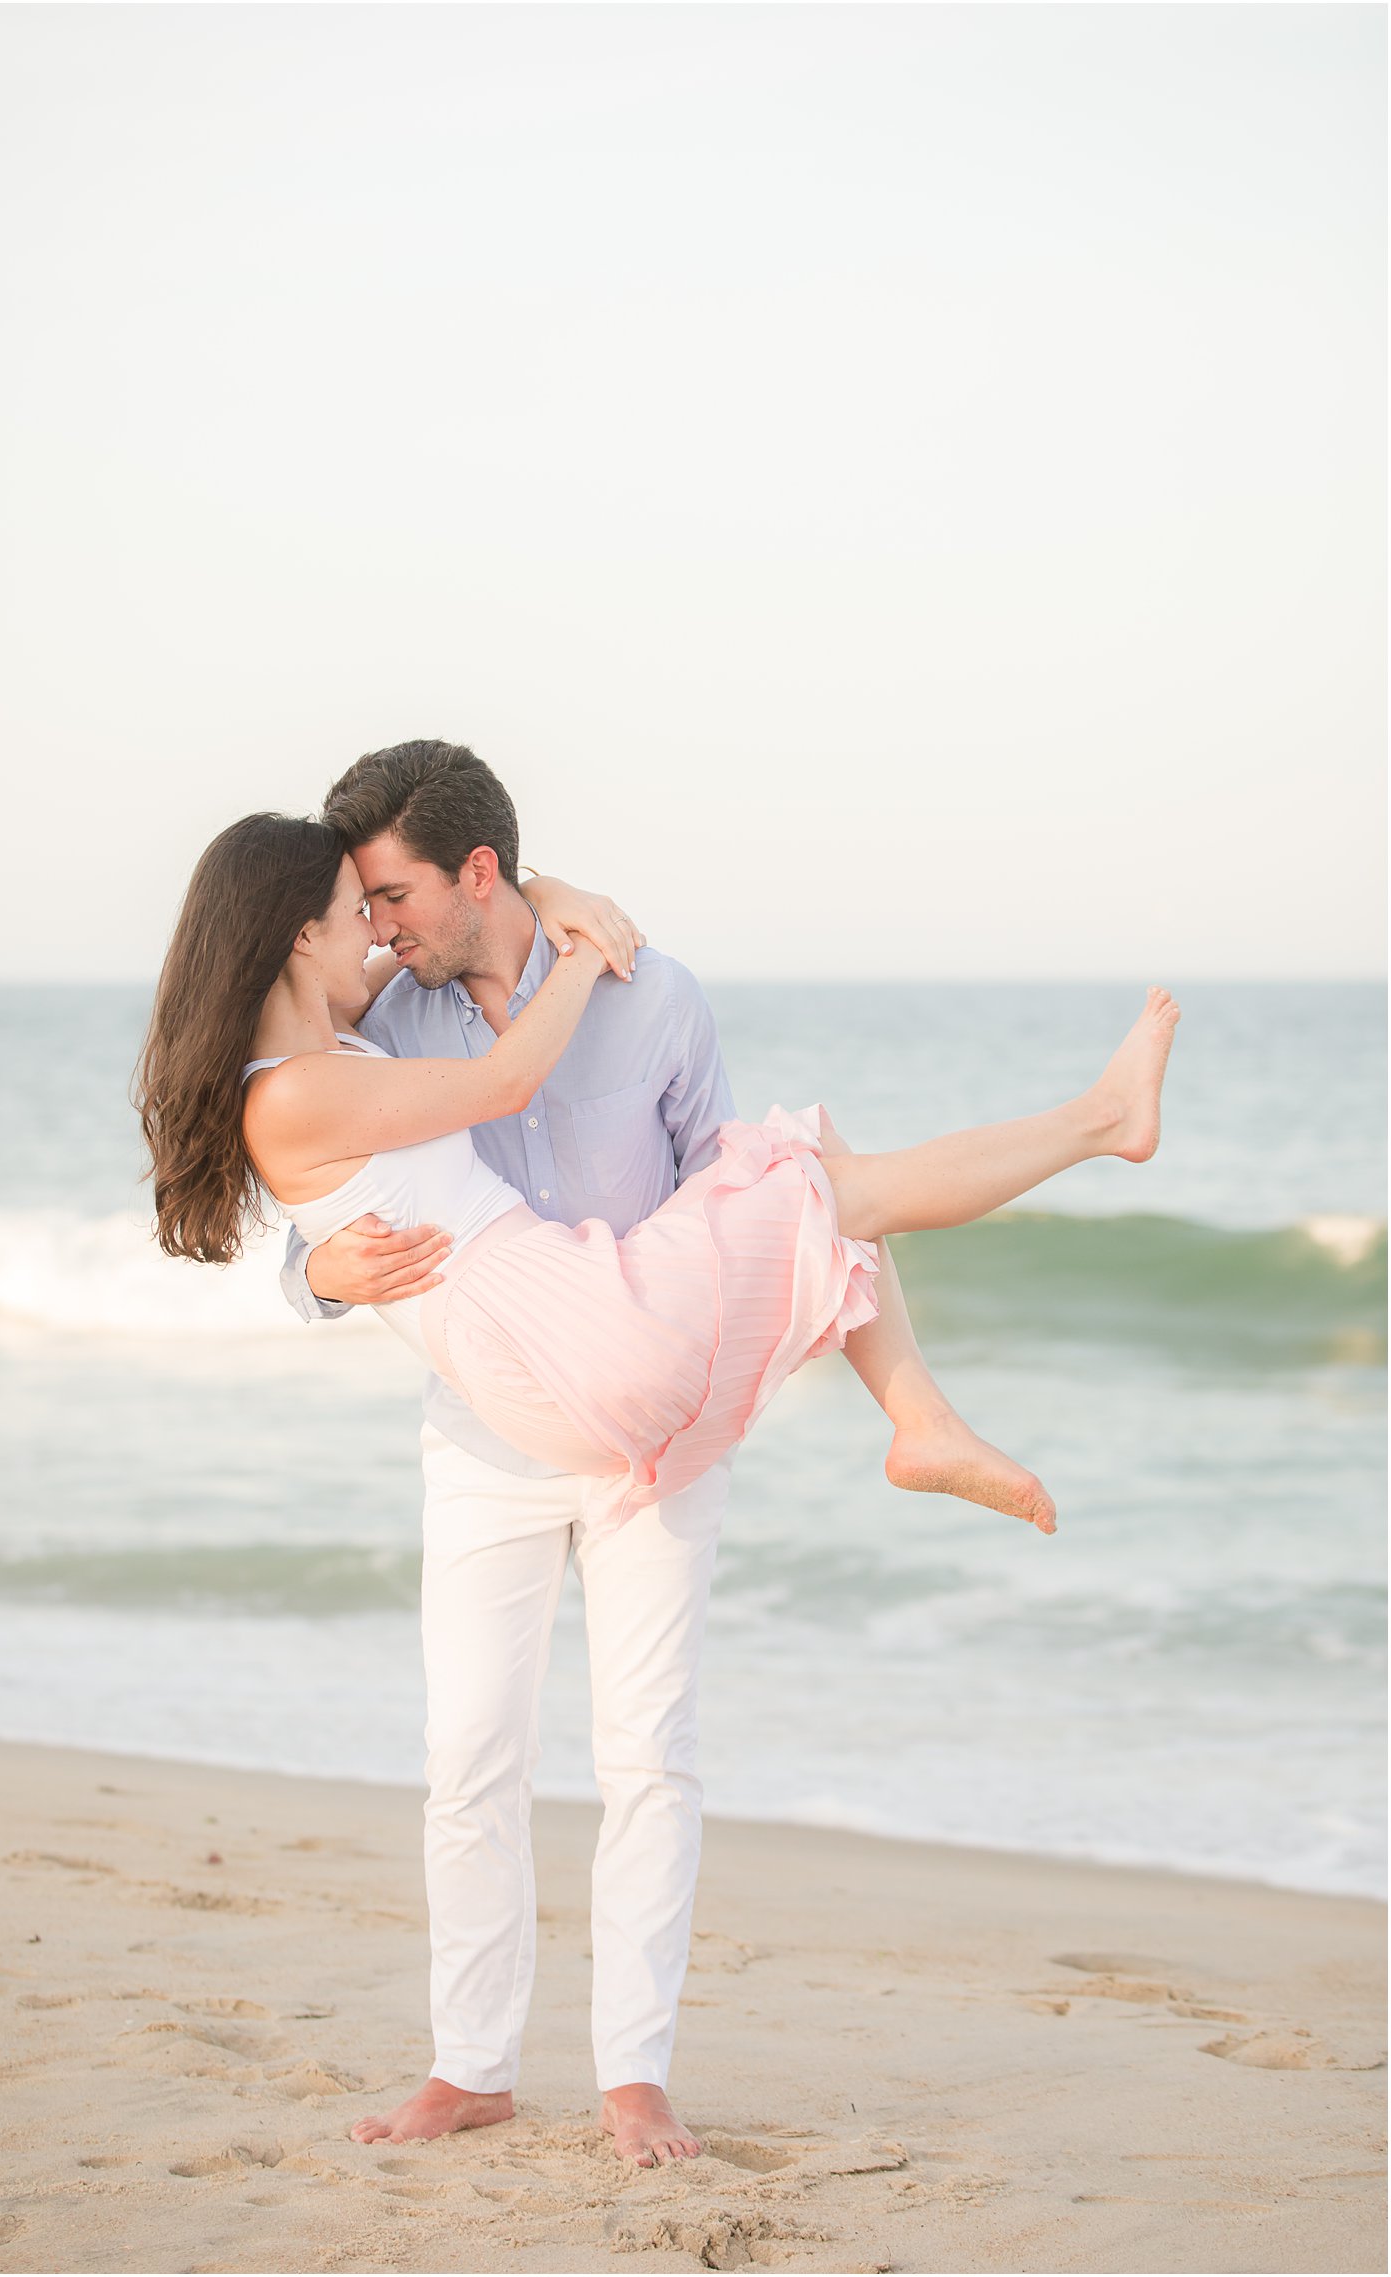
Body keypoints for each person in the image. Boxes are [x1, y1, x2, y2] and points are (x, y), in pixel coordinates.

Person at [138, 758, 1182, 2166]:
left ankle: (633, 2071)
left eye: (390, 894)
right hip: (502, 1415)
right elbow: (319, 1221)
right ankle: (473, 2062)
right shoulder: (382, 1022)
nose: (377, 926)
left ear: (480, 871)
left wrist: (572, 921)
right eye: (356, 905)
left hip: (625, 1367)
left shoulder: (656, 998)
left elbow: (709, 1180)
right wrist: (322, 1270)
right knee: (470, 1757)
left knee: (650, 1756)